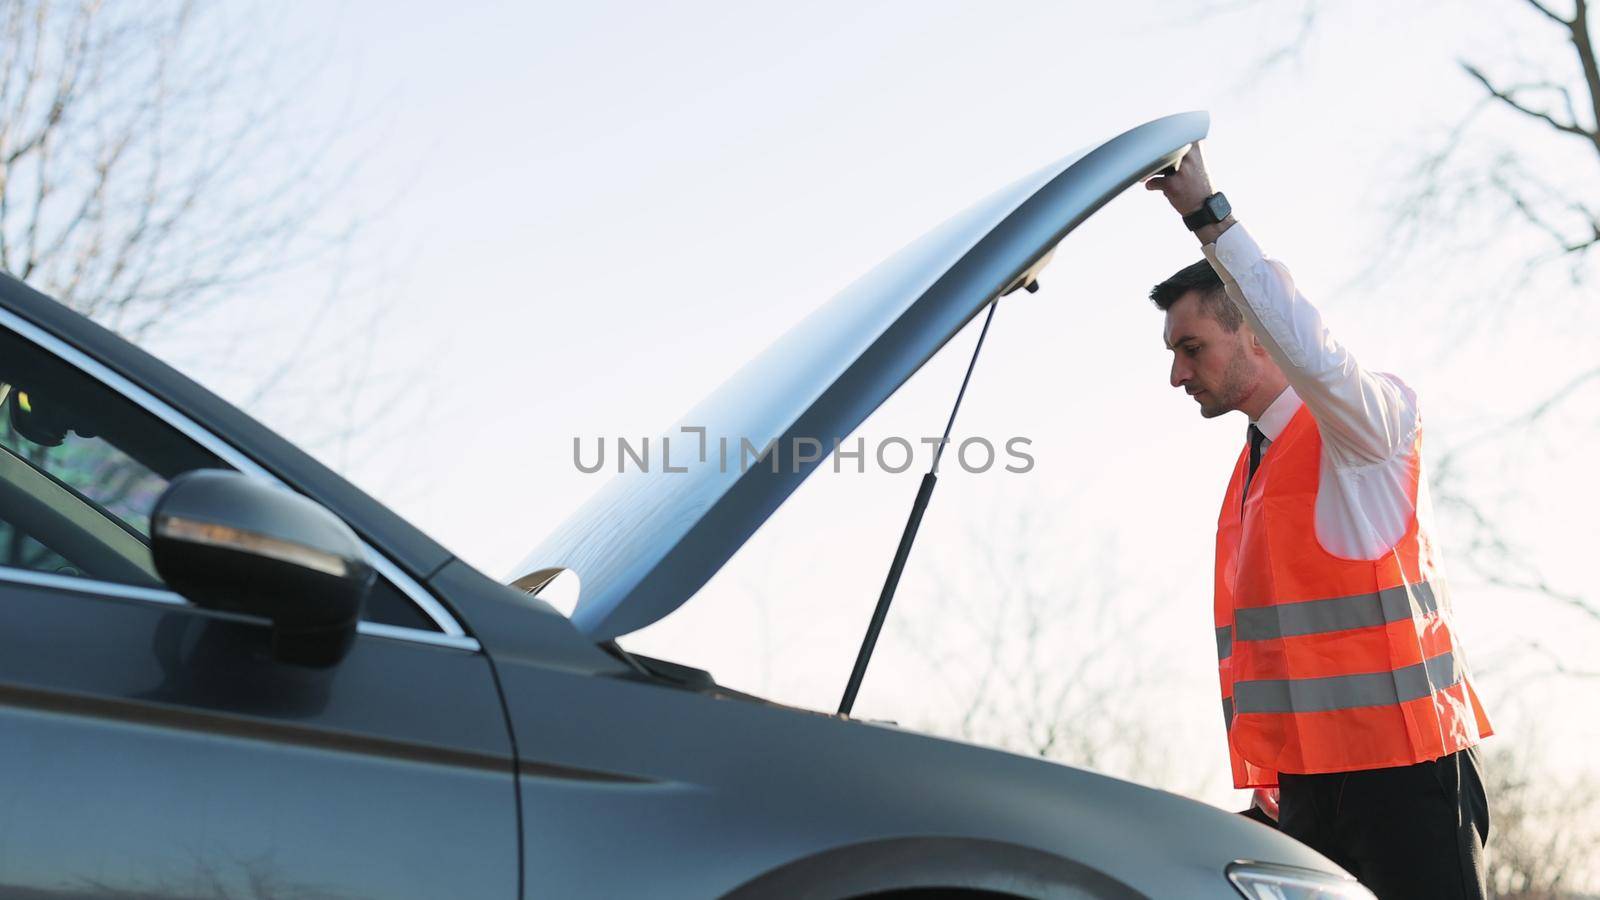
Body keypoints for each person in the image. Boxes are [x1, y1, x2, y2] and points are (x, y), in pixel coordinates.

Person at [1143, 142, 1495, 900]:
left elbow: (1318, 354)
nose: (1175, 373)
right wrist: (1273, 790)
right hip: (1304, 795)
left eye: (1190, 346)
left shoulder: (1368, 431)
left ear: (1256, 334)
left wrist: (1210, 218)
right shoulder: (1253, 468)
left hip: (1403, 782)